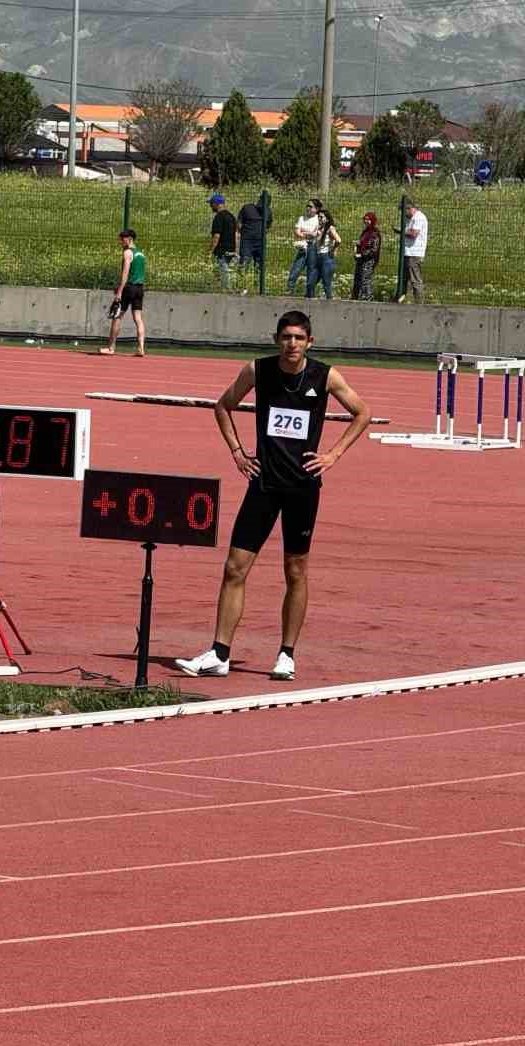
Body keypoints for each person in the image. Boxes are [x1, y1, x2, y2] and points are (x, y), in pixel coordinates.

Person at [174, 309, 370, 683]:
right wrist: (237, 452)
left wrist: (333, 454)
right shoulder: (258, 371)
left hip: (302, 487)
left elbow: (362, 412)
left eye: (298, 338)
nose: (291, 344)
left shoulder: (325, 376)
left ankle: (286, 654)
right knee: (234, 567)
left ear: (309, 342)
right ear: (276, 339)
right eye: (285, 337)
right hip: (263, 484)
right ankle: (219, 653)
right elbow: (222, 406)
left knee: (295, 570)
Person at [101, 228, 147, 356]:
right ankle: (141, 348)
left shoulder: (128, 252)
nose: (121, 242)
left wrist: (119, 291)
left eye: (123, 239)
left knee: (117, 316)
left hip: (129, 288)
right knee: (138, 318)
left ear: (130, 239)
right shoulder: (141, 254)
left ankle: (111, 347)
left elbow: (125, 272)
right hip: (139, 288)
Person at [305, 207, 341, 299]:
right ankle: (311, 304)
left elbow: (338, 240)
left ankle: (330, 304)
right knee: (310, 283)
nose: (319, 219)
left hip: (327, 259)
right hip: (318, 259)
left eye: (321, 217)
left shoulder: (330, 228)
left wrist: (333, 250)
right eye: (318, 217)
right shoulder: (319, 229)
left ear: (327, 219)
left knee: (326, 284)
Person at [235, 197, 269, 296]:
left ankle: (257, 288)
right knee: (244, 263)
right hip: (247, 242)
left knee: (259, 266)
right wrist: (244, 233)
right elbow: (239, 223)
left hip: (260, 243)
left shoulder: (268, 212)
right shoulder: (247, 208)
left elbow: (268, 226)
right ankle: (241, 286)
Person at [397, 198, 428, 303]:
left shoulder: (418, 217)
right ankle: (400, 300)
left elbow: (413, 234)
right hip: (407, 252)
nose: (403, 214)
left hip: (414, 253)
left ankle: (419, 304)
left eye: (403, 210)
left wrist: (401, 231)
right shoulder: (410, 218)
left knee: (415, 280)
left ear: (409, 208)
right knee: (403, 279)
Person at [287, 200, 320, 294]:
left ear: (316, 209)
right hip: (303, 247)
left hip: (313, 247)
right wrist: (308, 234)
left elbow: (316, 234)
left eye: (310, 206)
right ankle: (289, 290)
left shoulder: (318, 219)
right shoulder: (302, 218)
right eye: (307, 206)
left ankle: (309, 293)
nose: (308, 208)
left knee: (311, 270)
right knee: (296, 269)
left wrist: (304, 232)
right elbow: (297, 232)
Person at [208, 193, 239, 291]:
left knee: (223, 273)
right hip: (231, 249)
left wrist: (210, 251)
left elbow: (216, 236)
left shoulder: (218, 217)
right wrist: (236, 250)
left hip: (221, 251)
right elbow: (236, 235)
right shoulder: (231, 216)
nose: (210, 206)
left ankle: (225, 292)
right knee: (229, 273)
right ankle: (229, 289)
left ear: (216, 204)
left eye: (211, 203)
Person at [351, 212, 381, 301]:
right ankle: (357, 298)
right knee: (358, 279)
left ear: (372, 220)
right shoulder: (366, 231)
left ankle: (367, 299)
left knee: (365, 280)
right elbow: (364, 243)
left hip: (368, 260)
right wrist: (358, 244)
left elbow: (374, 249)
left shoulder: (375, 233)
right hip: (361, 259)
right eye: (365, 219)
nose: (366, 221)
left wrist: (362, 254)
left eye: (368, 219)